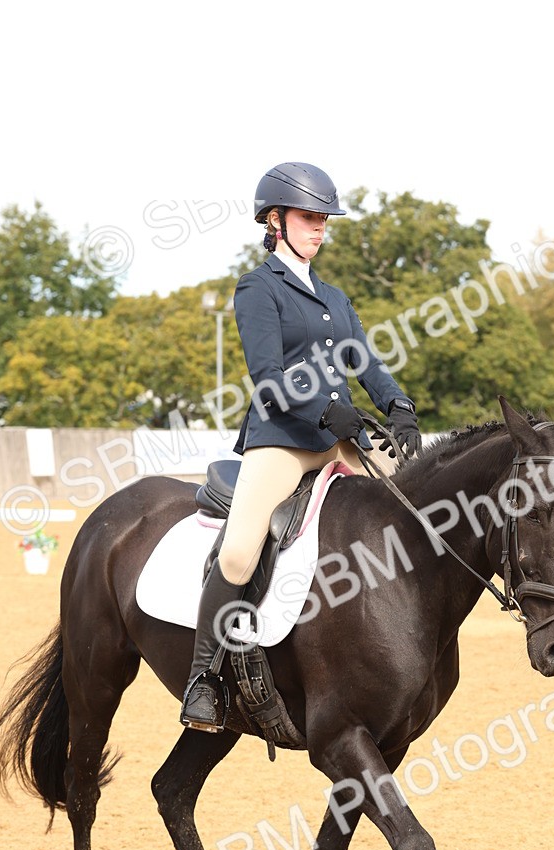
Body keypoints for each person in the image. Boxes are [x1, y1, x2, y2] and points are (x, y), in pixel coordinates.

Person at [180, 161, 422, 732]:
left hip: (341, 439)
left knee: (416, 501)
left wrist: (400, 407)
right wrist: (321, 409)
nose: (320, 228)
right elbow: (266, 375)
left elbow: (364, 361)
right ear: (274, 219)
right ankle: (203, 680)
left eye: (323, 220)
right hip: (284, 439)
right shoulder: (258, 289)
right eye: (309, 218)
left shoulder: (334, 297)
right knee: (239, 550)